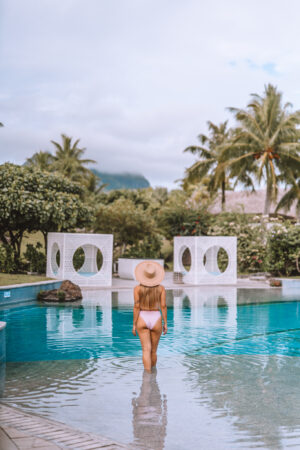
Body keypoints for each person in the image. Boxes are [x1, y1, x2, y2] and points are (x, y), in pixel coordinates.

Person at [132, 261, 167, 372]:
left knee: (146, 350)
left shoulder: (137, 289)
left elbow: (137, 306)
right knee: (153, 351)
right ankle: (153, 378)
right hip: (156, 317)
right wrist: (165, 323)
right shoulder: (161, 288)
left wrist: (134, 324)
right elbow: (163, 306)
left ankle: (147, 379)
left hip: (142, 317)